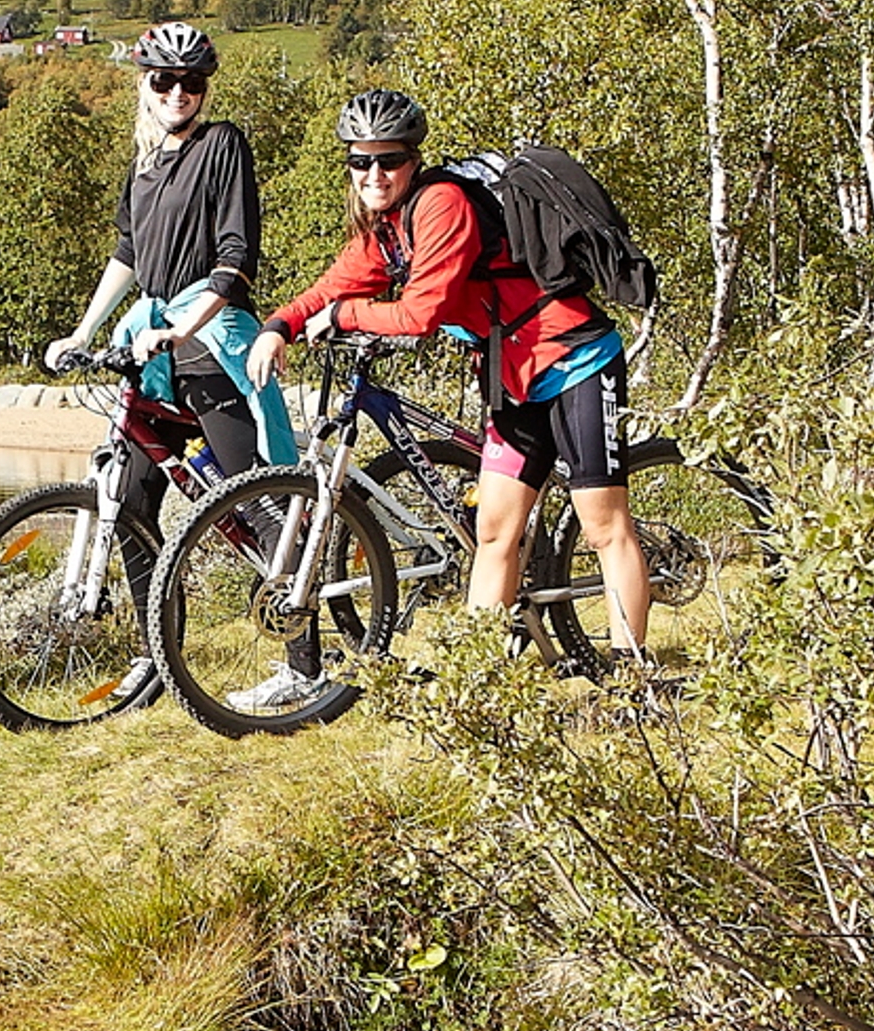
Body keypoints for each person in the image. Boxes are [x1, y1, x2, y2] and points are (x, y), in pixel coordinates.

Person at [246, 86, 653, 661]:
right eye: (361, 160)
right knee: (493, 533)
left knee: (604, 526)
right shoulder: (387, 228)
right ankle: (481, 683)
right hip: (513, 379)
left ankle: (634, 684)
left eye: (389, 159)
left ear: (413, 160)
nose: (375, 173)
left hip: (574, 358)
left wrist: (343, 316)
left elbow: (419, 315)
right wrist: (279, 325)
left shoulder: (441, 205)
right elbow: (335, 283)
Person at [47, 23, 323, 715]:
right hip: (156, 345)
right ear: (143, 83)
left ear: (206, 88)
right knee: (135, 502)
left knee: (254, 497)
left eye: (192, 82)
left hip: (210, 341)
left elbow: (235, 257)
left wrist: (183, 325)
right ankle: (157, 656)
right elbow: (129, 256)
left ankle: (306, 667)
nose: (178, 93)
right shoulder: (145, 164)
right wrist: (83, 332)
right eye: (164, 80)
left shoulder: (221, 145)